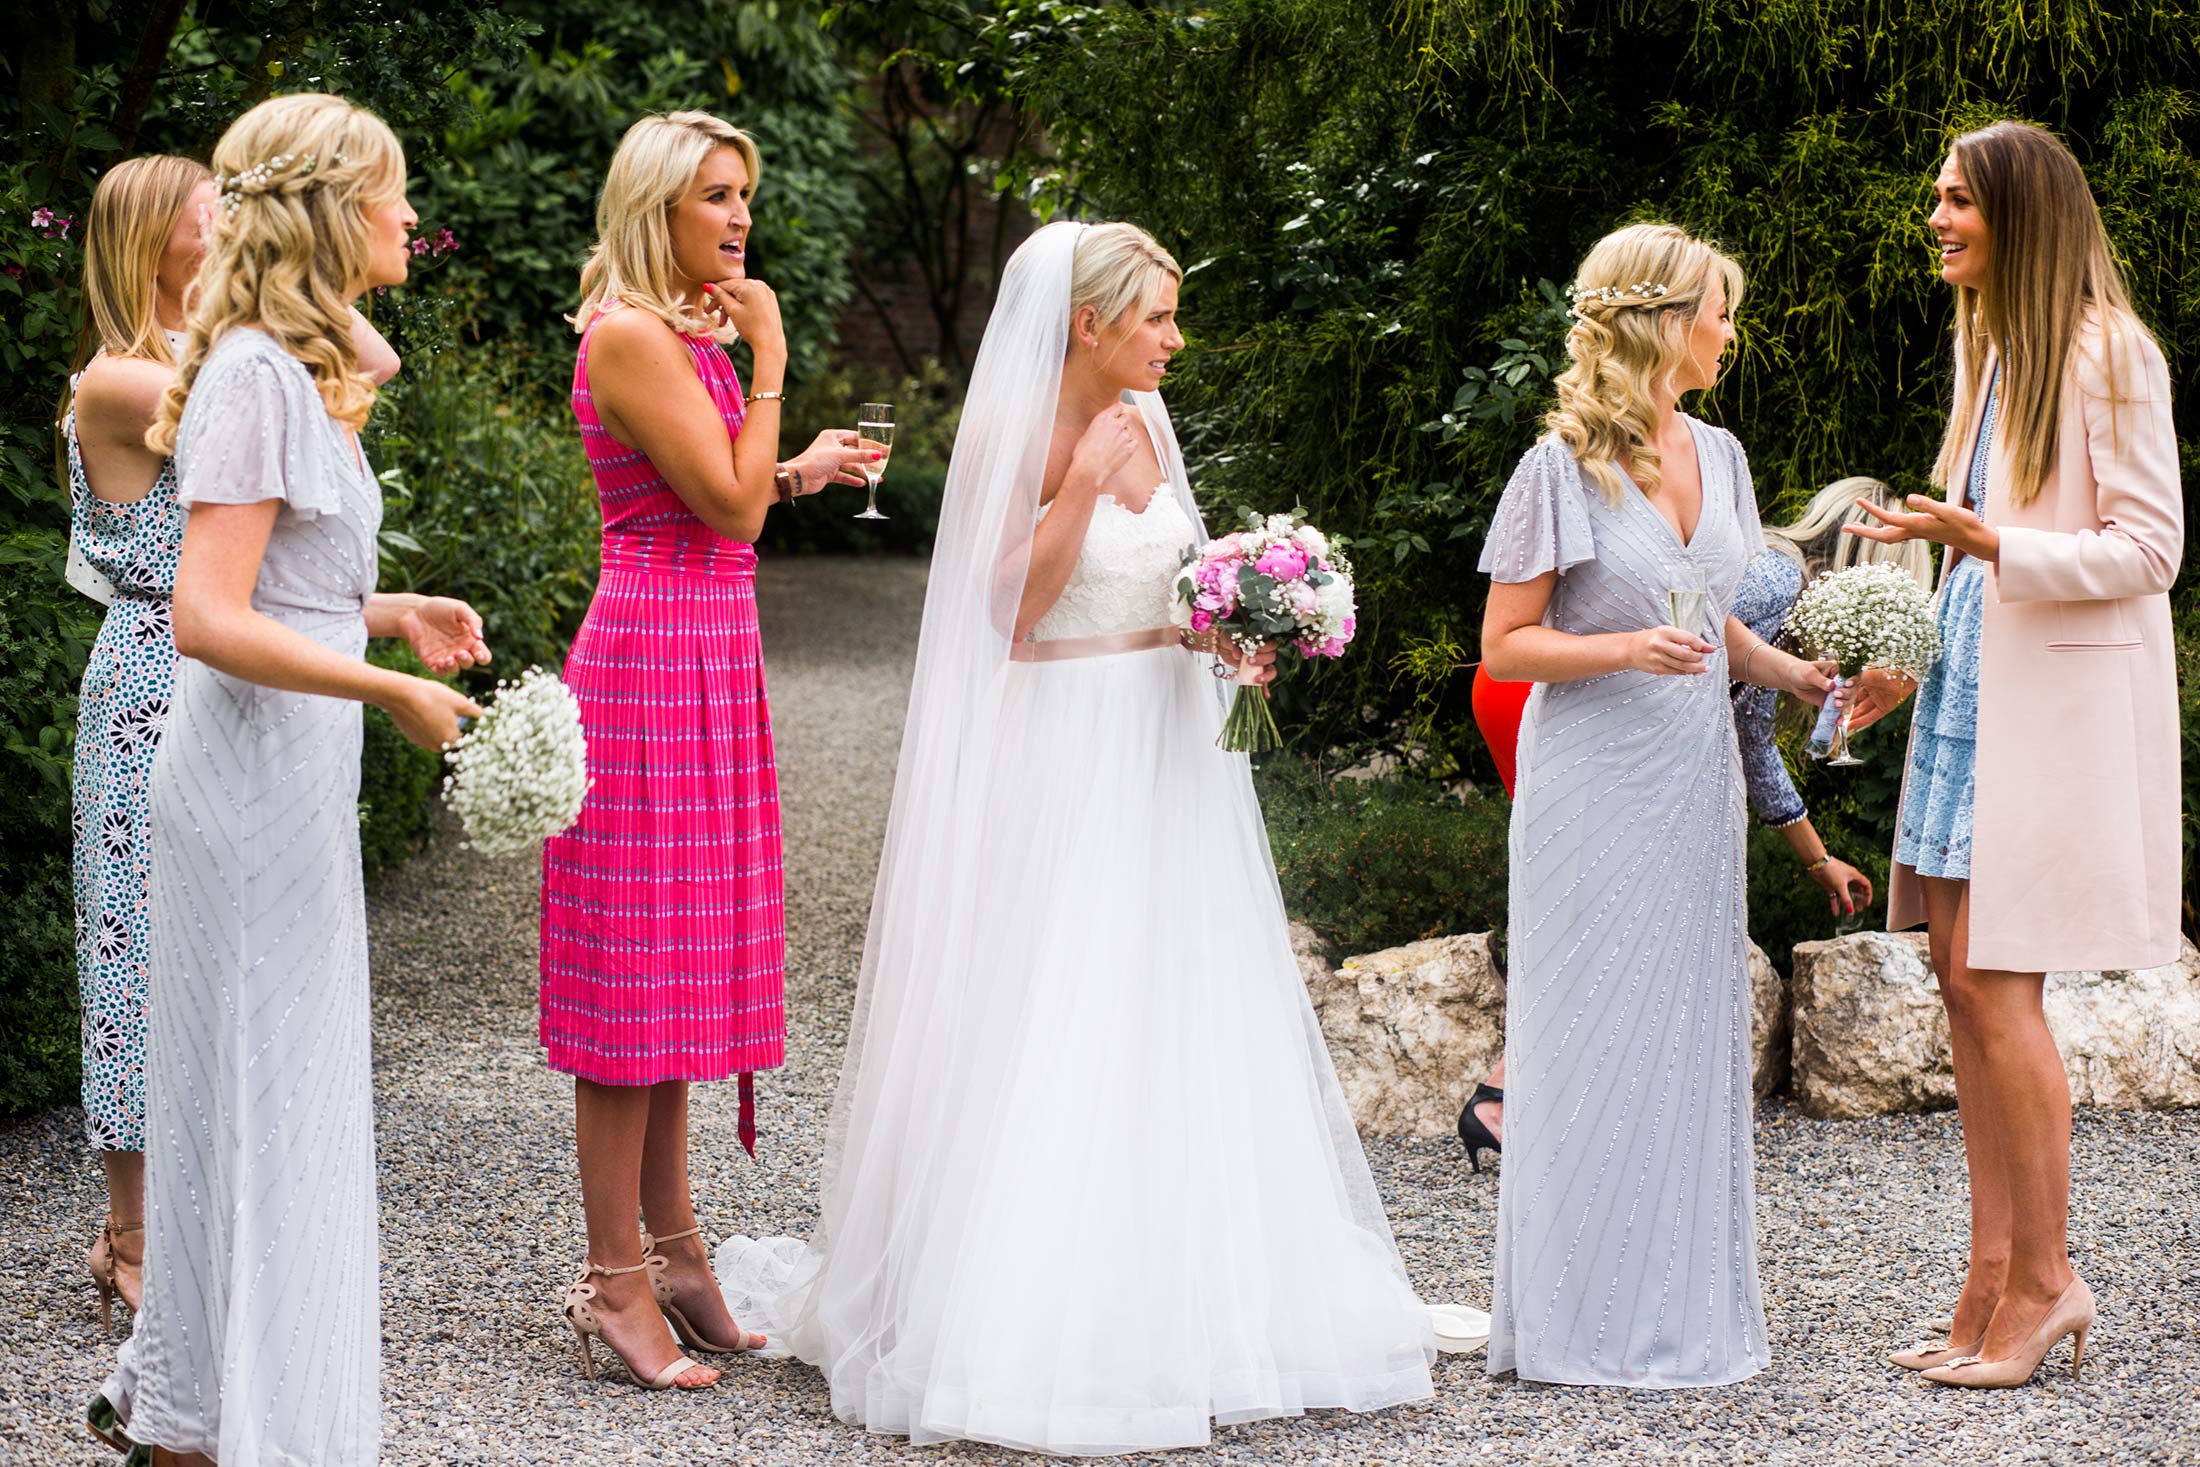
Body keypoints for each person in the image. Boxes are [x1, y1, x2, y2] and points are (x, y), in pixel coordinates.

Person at [718, 221, 1455, 1454]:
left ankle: (1203, 1294)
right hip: (1066, 744)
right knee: (1065, 1001)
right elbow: (1008, 613)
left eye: (1173, 316)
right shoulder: (1022, 434)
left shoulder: (1152, 425)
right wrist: (1074, 483)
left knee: (1178, 999)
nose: (1175, 338)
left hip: (1166, 736)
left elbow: (1170, 580)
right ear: (1087, 323)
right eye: (1157, 317)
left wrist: (1231, 630)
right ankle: (1030, 1307)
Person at [92, 93, 487, 1467]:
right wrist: (387, 689)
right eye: (389, 189)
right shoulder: (256, 370)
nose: (407, 213)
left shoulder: (288, 367)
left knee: (283, 1095)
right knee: (252, 1095)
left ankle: (208, 1405)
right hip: (247, 787)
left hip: (290, 782)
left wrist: (395, 613)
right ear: (327, 211)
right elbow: (204, 612)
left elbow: (289, 587)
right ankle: (218, 1415)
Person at [1844, 120, 2182, 1389]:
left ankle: (2046, 1282)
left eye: (1953, 200)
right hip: (1973, 700)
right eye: (1934, 197)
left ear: (2018, 212)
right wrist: (1901, 656)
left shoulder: (2109, 353)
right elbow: (1968, 540)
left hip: (2047, 716)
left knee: (2000, 989)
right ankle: (1988, 1277)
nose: (1934, 219)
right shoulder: (1987, 351)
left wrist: (1988, 548)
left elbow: (2149, 551)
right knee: (1957, 980)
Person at [539, 109, 872, 1393]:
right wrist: (775, 357)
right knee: (632, 986)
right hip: (644, 668)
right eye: (714, 197)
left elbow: (724, 498)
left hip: (706, 657)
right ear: (657, 207)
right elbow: (720, 514)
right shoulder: (627, 334)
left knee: (679, 971)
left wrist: (796, 471)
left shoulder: (675, 335)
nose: (738, 219)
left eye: (745, 195)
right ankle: (615, 1278)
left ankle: (679, 1256)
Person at [1478, 222, 1836, 1388]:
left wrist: (1787, 673)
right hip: (1593, 784)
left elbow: (1712, 609)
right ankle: (1577, 1323)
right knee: (1592, 1031)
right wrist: (1627, 646)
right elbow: (1506, 645)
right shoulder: (1558, 468)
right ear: (1662, 323)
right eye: (1717, 312)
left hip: (1693, 787)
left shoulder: (1721, 455)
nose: (1731, 333)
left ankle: (1681, 1315)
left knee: (1686, 1035)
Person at [61, 153, 400, 1339]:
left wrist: (389, 614)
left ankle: (207, 1214)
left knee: (228, 952)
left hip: (233, 664)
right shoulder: (124, 379)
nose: (232, 230)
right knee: (136, 953)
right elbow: (338, 374)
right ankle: (132, 1232)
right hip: (155, 677)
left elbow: (369, 365)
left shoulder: (227, 363)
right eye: (215, 215)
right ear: (153, 241)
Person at [1733, 475, 1933, 914]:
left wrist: (1819, 860)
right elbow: (1681, 630)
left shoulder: (1787, 609)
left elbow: (1751, 735)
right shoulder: (1776, 576)